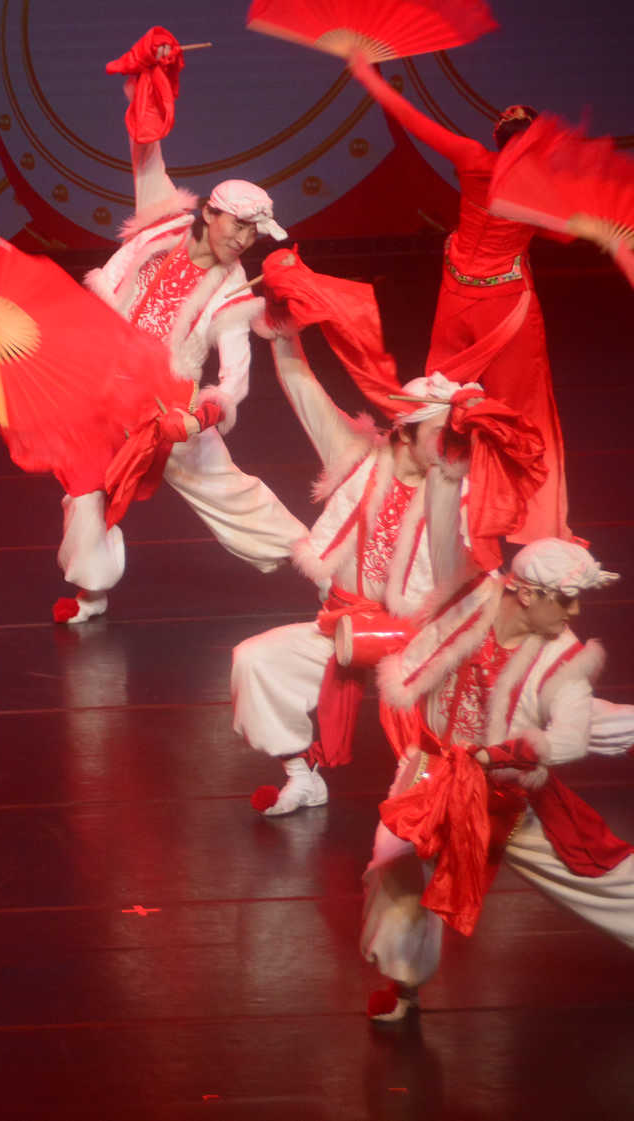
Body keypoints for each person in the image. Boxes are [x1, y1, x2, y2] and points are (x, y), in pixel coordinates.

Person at [59, 48, 305, 623]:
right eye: (239, 225)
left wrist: (198, 418)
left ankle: (322, 567)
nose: (243, 240)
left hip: (166, 406)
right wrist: (153, 79)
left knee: (230, 491)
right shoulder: (163, 222)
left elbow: (235, 376)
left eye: (254, 233)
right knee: (84, 489)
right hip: (103, 388)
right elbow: (146, 150)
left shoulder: (233, 287)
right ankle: (91, 590)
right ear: (211, 214)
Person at [361, 538, 634, 1021]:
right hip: (433, 772)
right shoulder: (471, 601)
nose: (574, 611)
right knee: (394, 858)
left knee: (597, 871)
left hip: (505, 794)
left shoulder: (565, 658)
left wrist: (499, 754)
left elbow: (569, 740)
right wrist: (449, 484)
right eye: (565, 599)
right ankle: (404, 986)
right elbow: (445, 528)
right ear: (527, 594)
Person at [232, 327, 472, 815]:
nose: (449, 445)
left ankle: (491, 793)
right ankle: (301, 774)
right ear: (404, 432)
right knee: (255, 660)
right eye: (438, 434)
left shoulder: (462, 490)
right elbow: (306, 393)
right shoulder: (358, 458)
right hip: (344, 626)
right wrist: (284, 338)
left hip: (419, 641)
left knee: (449, 751)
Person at [348, 55, 567, 542]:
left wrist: (367, 74)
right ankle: (525, 520)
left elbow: (408, 116)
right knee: (522, 410)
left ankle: (410, 497)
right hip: (505, 306)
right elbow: (571, 233)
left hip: (457, 295)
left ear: (499, 137)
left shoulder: (471, 159)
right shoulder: (543, 189)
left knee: (434, 397)